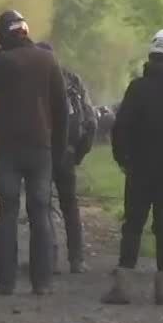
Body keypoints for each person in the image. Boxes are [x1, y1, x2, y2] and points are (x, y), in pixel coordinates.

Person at [103, 29, 163, 306]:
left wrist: (123, 159)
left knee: (133, 224)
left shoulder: (137, 88)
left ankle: (122, 288)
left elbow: (119, 128)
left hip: (139, 167)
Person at [0, 10, 67, 296]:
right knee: (40, 212)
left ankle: (6, 282)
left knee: (8, 212)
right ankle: (42, 282)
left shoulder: (2, 62)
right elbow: (61, 109)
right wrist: (59, 150)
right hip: (41, 148)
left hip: (9, 149)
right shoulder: (48, 59)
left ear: (2, 36)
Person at [38, 42, 97, 274]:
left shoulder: (33, 80)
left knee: (42, 205)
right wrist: (78, 153)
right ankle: (77, 259)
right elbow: (91, 121)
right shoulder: (73, 80)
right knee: (70, 205)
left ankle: (48, 258)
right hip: (67, 153)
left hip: (41, 151)